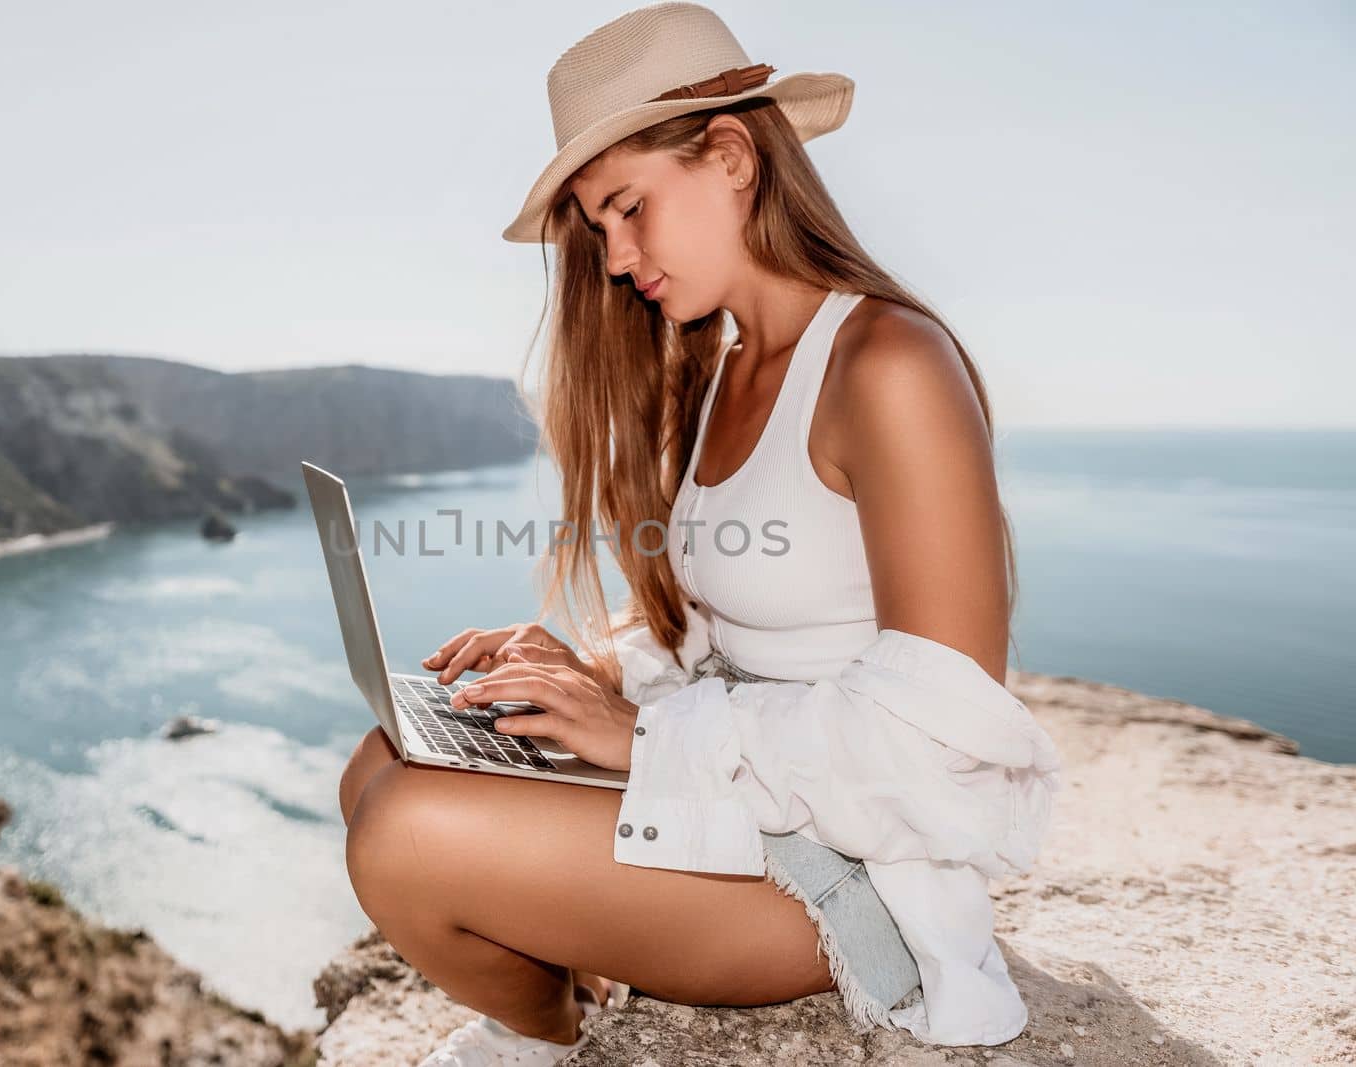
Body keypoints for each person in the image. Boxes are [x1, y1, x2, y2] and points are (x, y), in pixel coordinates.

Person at [338, 3, 1063, 1063]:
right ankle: (562, 989)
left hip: (848, 862)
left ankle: (541, 1032)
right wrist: (580, 669)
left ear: (729, 154)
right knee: (378, 760)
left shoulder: (888, 366)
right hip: (729, 796)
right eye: (598, 226)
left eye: (629, 208)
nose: (618, 255)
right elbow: (720, 623)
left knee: (404, 828)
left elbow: (943, 737)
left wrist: (635, 737)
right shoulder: (716, 368)